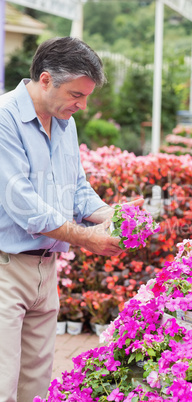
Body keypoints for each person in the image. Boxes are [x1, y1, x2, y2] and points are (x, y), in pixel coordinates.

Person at [0, 36, 143, 402]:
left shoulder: (65, 123)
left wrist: (119, 216)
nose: (81, 105)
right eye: (76, 95)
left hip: (45, 272)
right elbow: (24, 205)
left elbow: (77, 190)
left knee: (36, 383)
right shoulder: (4, 119)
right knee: (3, 383)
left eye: (86, 97)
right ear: (45, 79)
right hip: (6, 269)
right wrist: (86, 237)